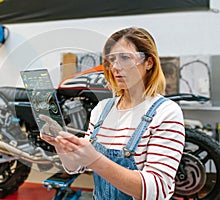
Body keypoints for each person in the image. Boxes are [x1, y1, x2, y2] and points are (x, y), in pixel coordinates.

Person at [40, 27, 185, 200]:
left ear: (149, 62)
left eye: (125, 58)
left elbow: (157, 190)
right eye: (112, 59)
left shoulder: (166, 113)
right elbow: (76, 166)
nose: (115, 67)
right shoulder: (102, 109)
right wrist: (60, 144)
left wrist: (95, 160)